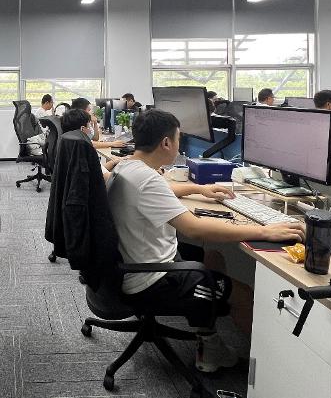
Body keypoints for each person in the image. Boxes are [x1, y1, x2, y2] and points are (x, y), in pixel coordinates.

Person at [107, 109, 304, 372]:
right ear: (166, 143)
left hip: (134, 264)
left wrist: (200, 189)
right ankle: (269, 375)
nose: (179, 144)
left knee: (213, 257)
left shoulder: (128, 167)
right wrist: (265, 231)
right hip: (151, 281)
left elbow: (164, 189)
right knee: (243, 294)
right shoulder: (147, 179)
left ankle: (208, 345)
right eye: (178, 138)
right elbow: (195, 229)